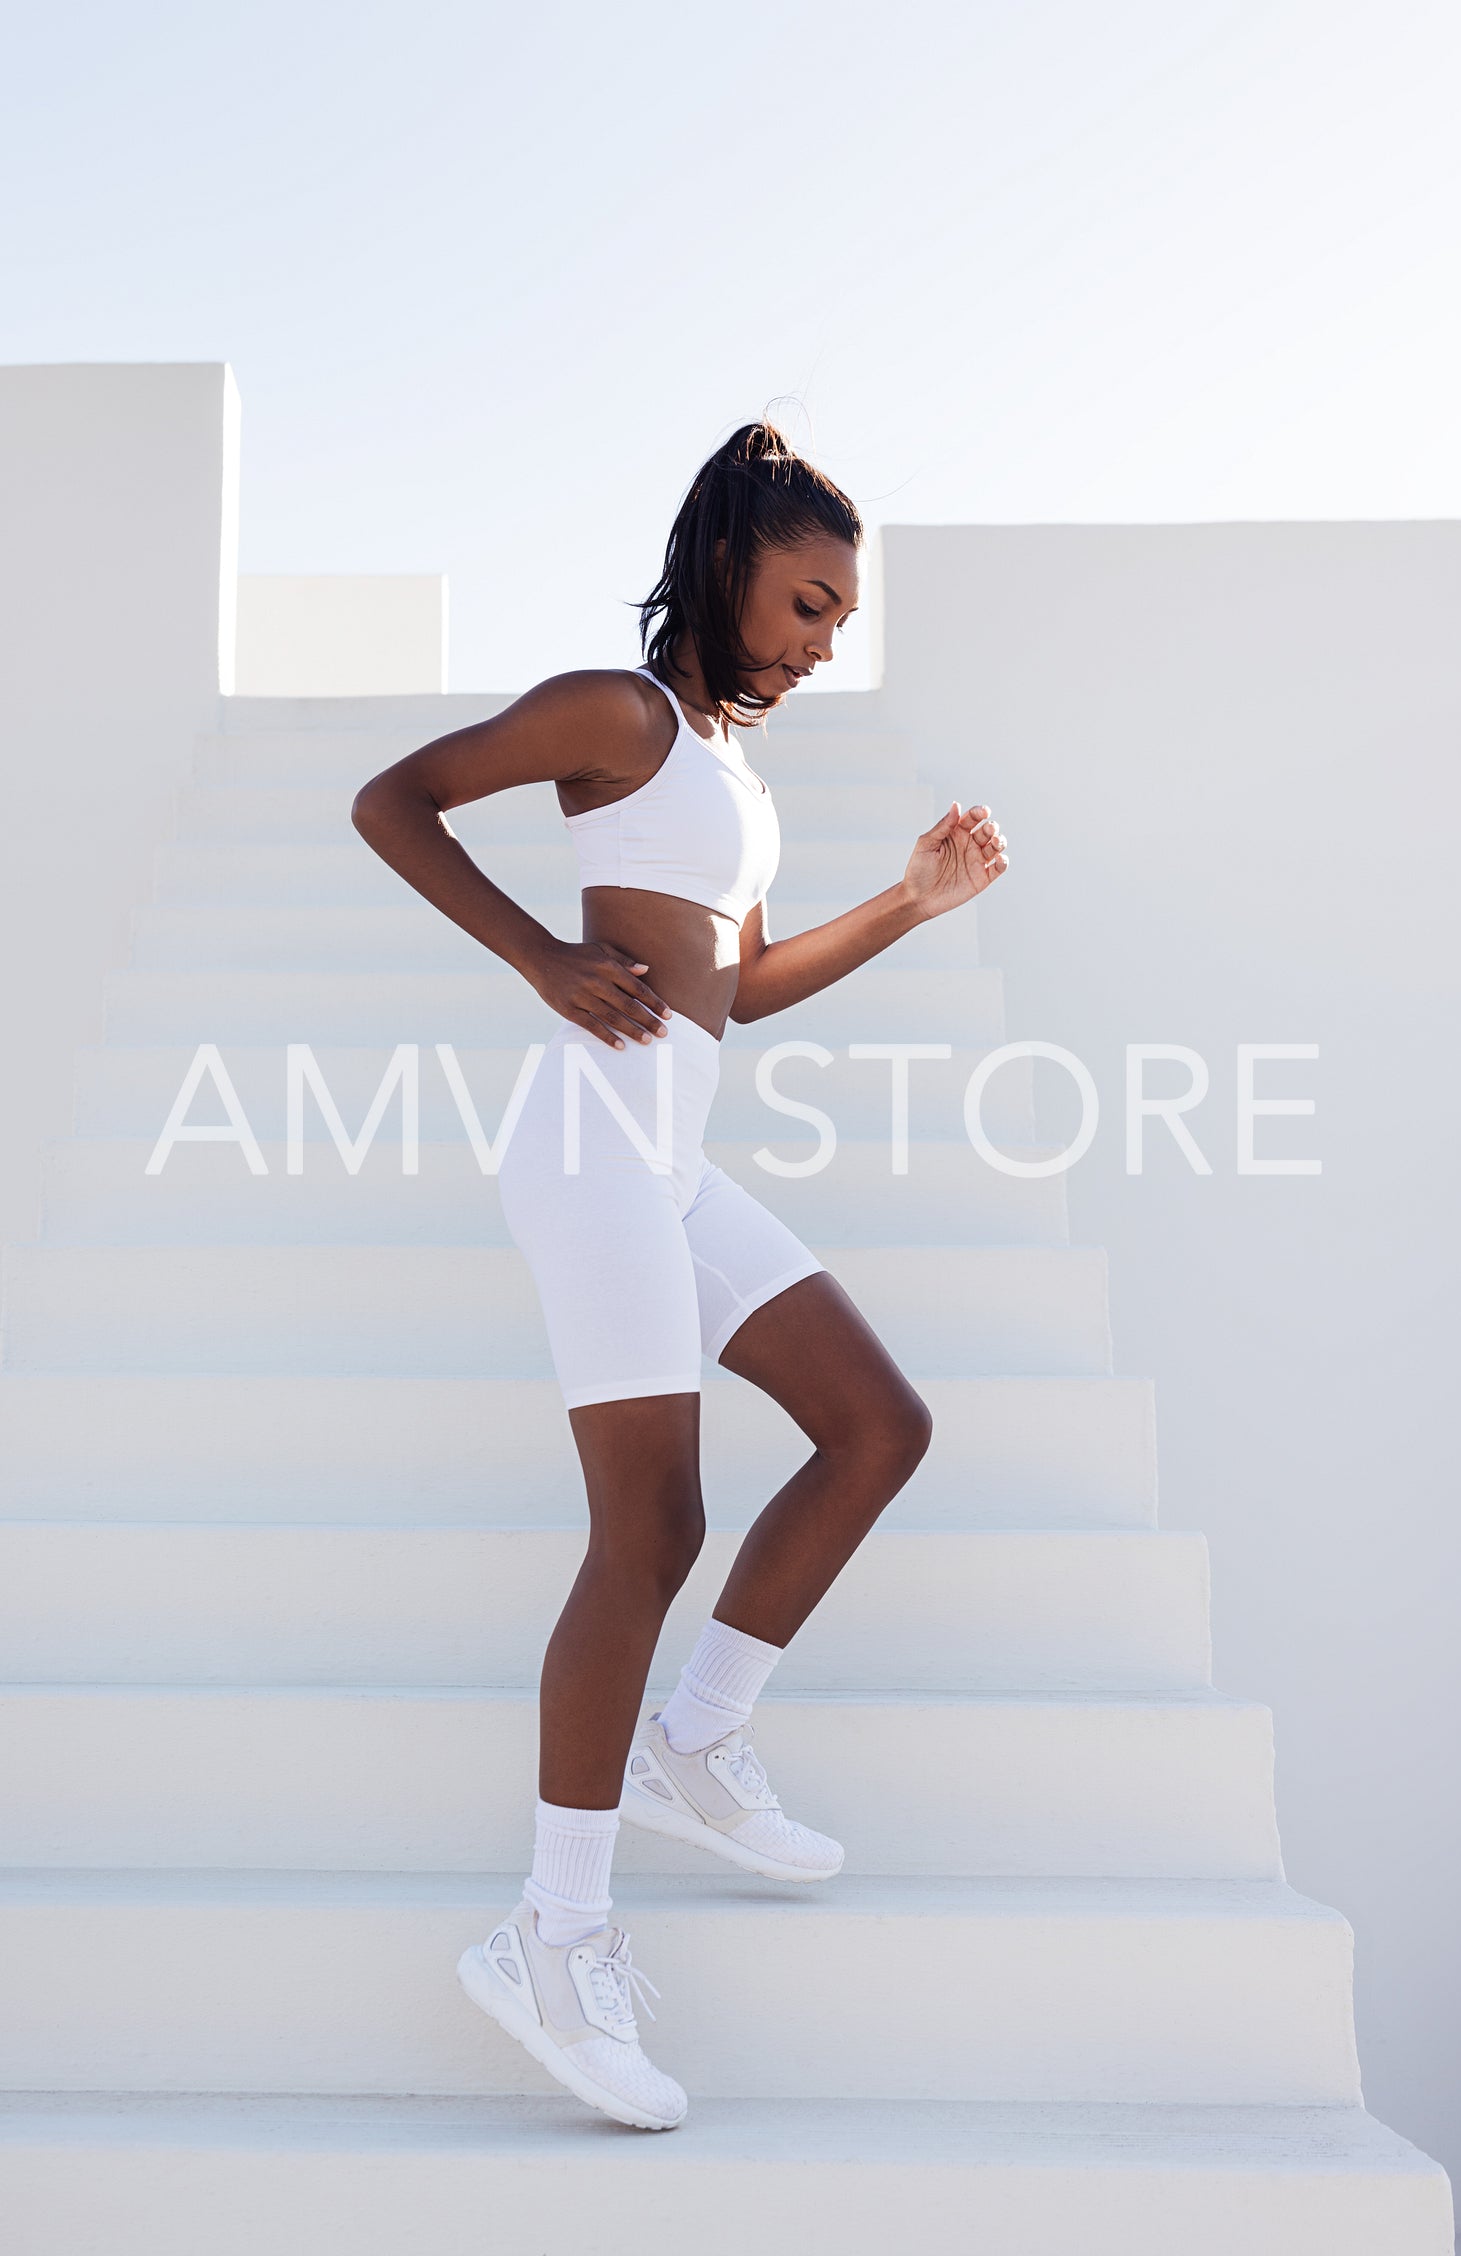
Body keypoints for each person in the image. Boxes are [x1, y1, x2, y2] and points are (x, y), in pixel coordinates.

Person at [351, 422, 1007, 2131]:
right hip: (583, 1144)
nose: (818, 641)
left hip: (667, 1155)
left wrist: (910, 905)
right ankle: (552, 1939)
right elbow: (390, 799)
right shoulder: (620, 717)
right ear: (728, 565)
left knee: (875, 1423)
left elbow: (743, 989)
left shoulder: (736, 778)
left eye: (839, 620)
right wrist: (544, 958)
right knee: (648, 1527)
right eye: (806, 601)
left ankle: (691, 1740)